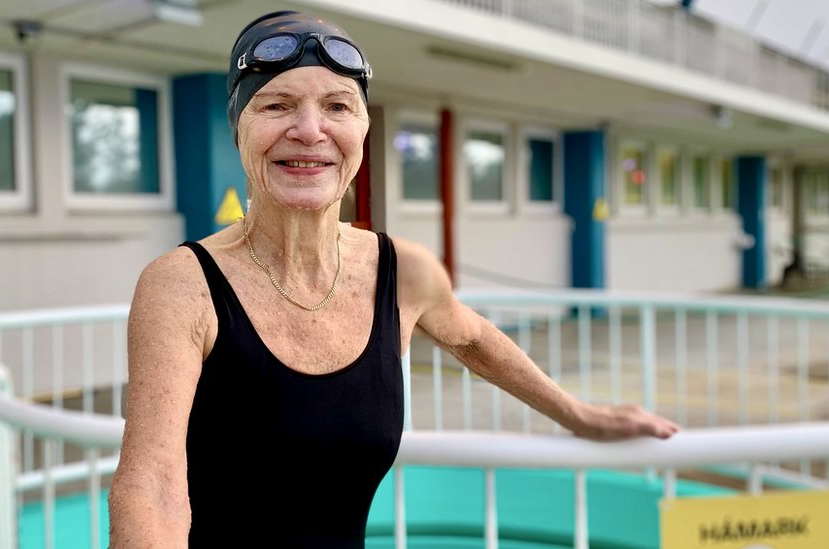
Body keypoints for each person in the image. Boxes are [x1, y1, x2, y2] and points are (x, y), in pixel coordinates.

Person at [107, 10, 679, 548]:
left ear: (362, 129)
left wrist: (581, 416)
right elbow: (151, 486)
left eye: (337, 106)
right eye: (276, 106)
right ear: (239, 127)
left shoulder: (401, 270)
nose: (309, 131)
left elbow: (473, 339)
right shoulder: (183, 286)